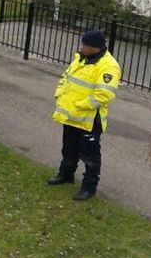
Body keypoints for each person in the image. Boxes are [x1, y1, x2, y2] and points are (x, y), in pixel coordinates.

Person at [46, 29, 121, 201]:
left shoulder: (109, 66)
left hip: (89, 120)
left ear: (95, 48)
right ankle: (65, 174)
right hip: (72, 115)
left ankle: (89, 187)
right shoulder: (81, 58)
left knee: (90, 156)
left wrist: (80, 106)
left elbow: (104, 94)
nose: (81, 47)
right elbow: (66, 77)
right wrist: (59, 93)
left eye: (85, 45)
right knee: (69, 148)